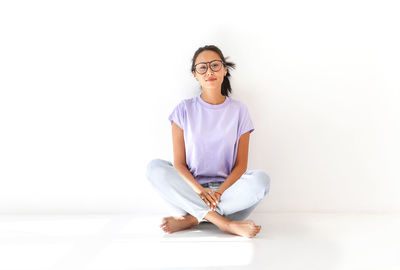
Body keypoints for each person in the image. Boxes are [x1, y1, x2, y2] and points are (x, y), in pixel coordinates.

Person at [146, 45, 270, 238]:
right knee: (154, 168)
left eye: (214, 65)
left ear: (224, 70)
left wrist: (218, 193)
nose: (209, 71)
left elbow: (241, 166)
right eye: (202, 67)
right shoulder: (183, 109)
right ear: (195, 75)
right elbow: (179, 163)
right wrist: (200, 191)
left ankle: (192, 219)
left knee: (261, 181)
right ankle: (225, 223)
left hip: (227, 193)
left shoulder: (239, 111)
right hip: (191, 191)